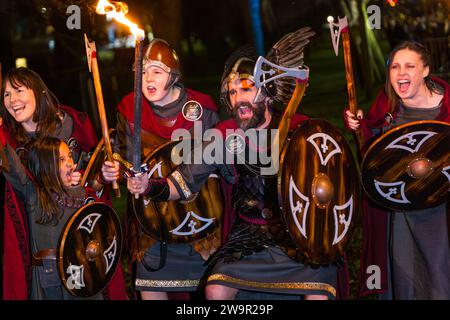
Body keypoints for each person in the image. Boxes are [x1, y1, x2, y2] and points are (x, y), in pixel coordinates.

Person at [121, 29, 339, 300]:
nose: (238, 99)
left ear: (268, 92)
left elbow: (330, 183)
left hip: (296, 238)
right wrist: (149, 186)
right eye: (233, 92)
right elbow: (184, 182)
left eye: (246, 89)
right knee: (216, 289)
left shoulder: (300, 131)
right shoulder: (224, 135)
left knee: (317, 294)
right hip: (248, 238)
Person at [101, 38, 220, 300]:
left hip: (198, 220)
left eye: (157, 71)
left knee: (212, 292)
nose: (148, 78)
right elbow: (124, 160)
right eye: (142, 72)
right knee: (151, 289)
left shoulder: (202, 110)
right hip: (151, 224)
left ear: (174, 76)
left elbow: (207, 166)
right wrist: (115, 172)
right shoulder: (130, 110)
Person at [0, 67, 127, 299]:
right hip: (42, 251)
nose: (12, 100)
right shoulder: (7, 138)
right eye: (6, 94)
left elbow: (93, 184)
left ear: (38, 92)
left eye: (18, 91)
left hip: (83, 248)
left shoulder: (72, 126)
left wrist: (102, 177)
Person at [344, 41, 449, 299]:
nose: (400, 73)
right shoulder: (387, 107)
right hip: (402, 209)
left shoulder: (447, 105)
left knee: (440, 274)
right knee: (405, 277)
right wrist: (361, 128)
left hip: (442, 210)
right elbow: (375, 156)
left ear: (425, 70)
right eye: (394, 66)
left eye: (409, 66)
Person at [0, 133, 104, 299]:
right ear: (45, 166)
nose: (70, 162)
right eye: (61, 160)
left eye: (69, 156)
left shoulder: (83, 194)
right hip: (51, 282)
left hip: (83, 275)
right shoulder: (35, 195)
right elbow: (13, 167)